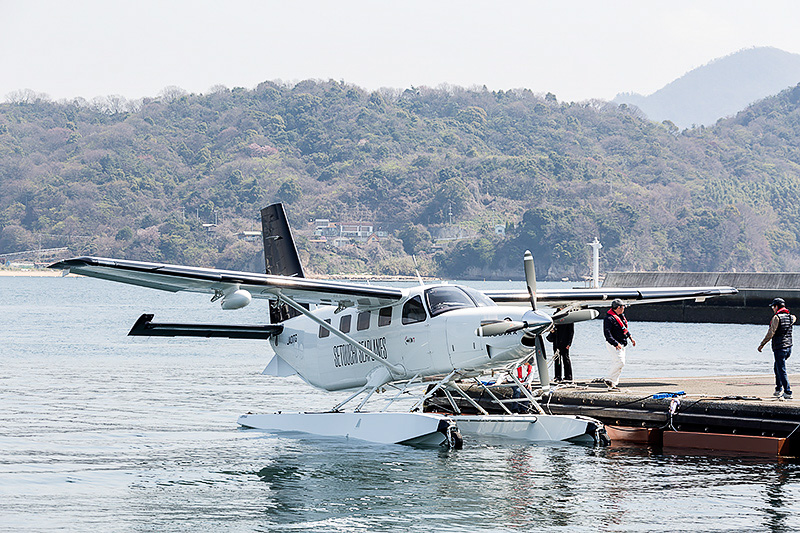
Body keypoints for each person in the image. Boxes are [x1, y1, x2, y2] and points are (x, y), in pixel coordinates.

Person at [758, 298, 796, 400]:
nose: (772, 309)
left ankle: (788, 392)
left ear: (776, 307)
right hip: (789, 347)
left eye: (773, 307)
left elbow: (771, 333)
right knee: (777, 367)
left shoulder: (776, 317)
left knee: (781, 369)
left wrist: (762, 344)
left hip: (780, 348)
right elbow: (794, 318)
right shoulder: (790, 317)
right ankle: (778, 388)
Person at [603, 299, 635, 390]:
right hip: (613, 344)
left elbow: (624, 329)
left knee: (619, 363)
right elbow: (607, 333)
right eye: (622, 306)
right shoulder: (609, 319)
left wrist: (631, 338)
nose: (624, 308)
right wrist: (615, 343)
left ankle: (612, 384)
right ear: (618, 308)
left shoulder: (621, 316)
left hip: (622, 343)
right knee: (620, 362)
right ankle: (608, 378)